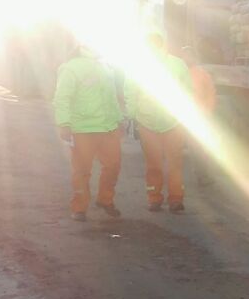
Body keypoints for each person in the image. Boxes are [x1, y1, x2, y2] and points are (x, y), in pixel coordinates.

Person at [53, 42, 124, 221]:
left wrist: (119, 119)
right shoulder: (71, 68)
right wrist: (64, 124)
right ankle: (79, 207)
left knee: (113, 166)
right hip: (83, 129)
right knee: (82, 170)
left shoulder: (106, 66)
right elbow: (62, 98)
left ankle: (105, 200)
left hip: (108, 127)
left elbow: (112, 97)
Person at [126, 33, 193, 212]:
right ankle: (155, 198)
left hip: (171, 122)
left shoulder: (177, 64)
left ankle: (175, 199)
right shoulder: (138, 65)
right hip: (149, 122)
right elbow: (130, 91)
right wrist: (132, 113)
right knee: (156, 163)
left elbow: (187, 91)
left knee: (173, 163)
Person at [182, 45, 217, 186]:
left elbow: (210, 93)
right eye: (184, 55)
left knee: (202, 149)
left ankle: (204, 175)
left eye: (188, 55)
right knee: (194, 149)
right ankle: (200, 176)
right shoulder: (179, 72)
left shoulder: (202, 74)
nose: (186, 58)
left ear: (194, 57)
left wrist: (208, 112)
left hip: (200, 117)